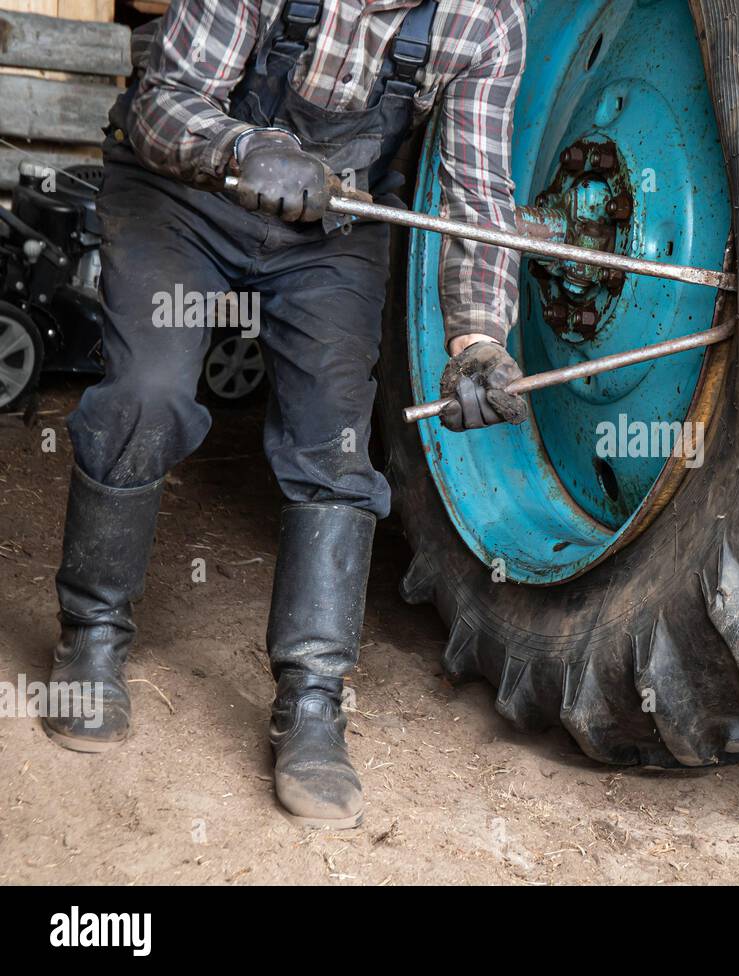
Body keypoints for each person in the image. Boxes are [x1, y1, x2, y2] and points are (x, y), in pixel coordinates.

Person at [43, 0, 528, 829]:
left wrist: (478, 340)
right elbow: (163, 99)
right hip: (183, 198)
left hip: (333, 231)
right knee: (148, 396)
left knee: (336, 448)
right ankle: (90, 635)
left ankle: (311, 702)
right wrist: (245, 143)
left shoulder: (486, 19)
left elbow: (479, 198)